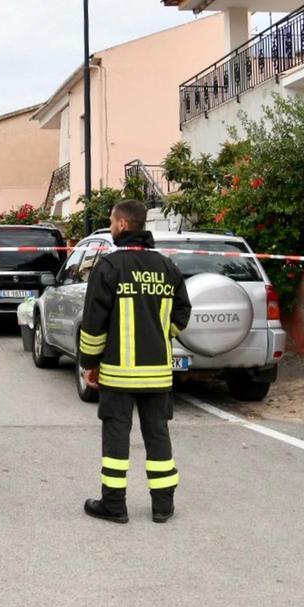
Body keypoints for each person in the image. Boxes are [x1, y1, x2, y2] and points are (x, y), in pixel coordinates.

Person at [78, 199, 190, 525]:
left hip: (118, 374)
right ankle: (162, 506)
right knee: (158, 434)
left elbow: (94, 323)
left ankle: (114, 504)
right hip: (157, 374)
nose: (111, 228)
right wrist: (160, 332)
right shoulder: (167, 267)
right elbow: (183, 311)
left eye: (112, 222)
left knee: (116, 435)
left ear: (124, 225)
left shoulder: (109, 267)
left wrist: (90, 363)